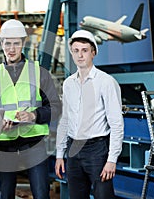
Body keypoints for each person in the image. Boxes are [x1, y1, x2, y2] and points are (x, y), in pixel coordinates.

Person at [0, 19, 62, 199]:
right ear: (1, 44)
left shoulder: (38, 72)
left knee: (41, 194)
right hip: (4, 144)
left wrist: (34, 115)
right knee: (5, 195)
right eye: (7, 43)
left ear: (23, 44)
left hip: (34, 144)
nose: (11, 48)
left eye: (16, 43)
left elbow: (56, 107)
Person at [55, 30, 124, 199]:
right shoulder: (68, 83)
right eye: (76, 50)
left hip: (97, 151)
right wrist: (59, 154)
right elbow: (65, 120)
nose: (80, 55)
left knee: (104, 196)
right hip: (73, 149)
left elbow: (116, 124)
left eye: (84, 50)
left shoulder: (106, 82)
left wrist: (112, 159)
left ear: (93, 52)